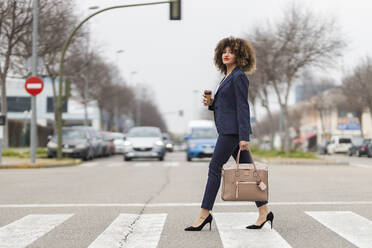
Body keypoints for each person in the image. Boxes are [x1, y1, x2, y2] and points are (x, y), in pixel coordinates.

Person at [185, 36, 273, 231]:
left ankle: (204, 214)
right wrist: (212, 104)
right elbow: (228, 105)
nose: (226, 54)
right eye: (224, 51)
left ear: (239, 55)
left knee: (214, 168)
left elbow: (242, 107)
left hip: (232, 132)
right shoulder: (227, 76)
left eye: (231, 51)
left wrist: (244, 138)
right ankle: (264, 212)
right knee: (251, 173)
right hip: (229, 130)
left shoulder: (239, 76)